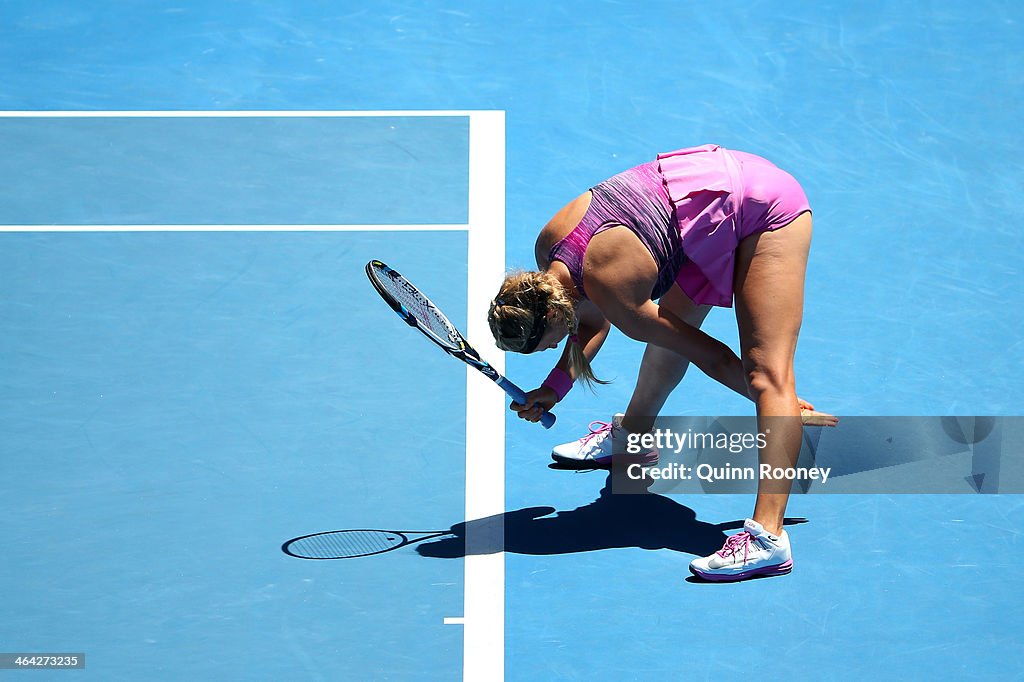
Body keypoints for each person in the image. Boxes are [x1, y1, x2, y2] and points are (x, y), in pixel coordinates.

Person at [486, 144, 837, 582]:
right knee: (665, 339)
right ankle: (632, 439)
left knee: (765, 374)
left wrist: (777, 404)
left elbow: (711, 355)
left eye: (542, 346)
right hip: (700, 203)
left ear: (553, 313)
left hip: (763, 208)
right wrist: (553, 389)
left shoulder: (610, 286)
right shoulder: (551, 253)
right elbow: (589, 322)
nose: (547, 351)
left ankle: (769, 539)